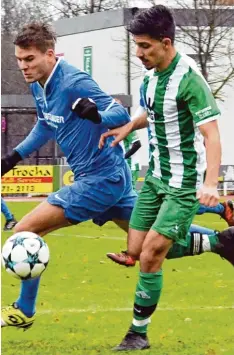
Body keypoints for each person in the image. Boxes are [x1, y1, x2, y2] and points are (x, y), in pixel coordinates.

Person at [1, 20, 233, 335]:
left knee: (24, 232)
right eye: (19, 60)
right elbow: (46, 124)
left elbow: (119, 115)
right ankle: (220, 241)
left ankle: (24, 310)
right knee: (149, 242)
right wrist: (11, 159)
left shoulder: (74, 81)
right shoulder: (37, 84)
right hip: (107, 177)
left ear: (50, 54)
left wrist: (94, 113)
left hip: (99, 179)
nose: (23, 67)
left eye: (29, 59)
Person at [99, 5, 234, 350]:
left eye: (145, 47)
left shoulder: (190, 79)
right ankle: (221, 242)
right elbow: (155, 110)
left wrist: (210, 182)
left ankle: (137, 334)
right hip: (155, 179)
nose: (139, 53)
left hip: (183, 183)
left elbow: (212, 135)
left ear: (166, 42)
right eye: (136, 46)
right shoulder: (151, 76)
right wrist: (129, 125)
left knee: (150, 256)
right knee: (135, 249)